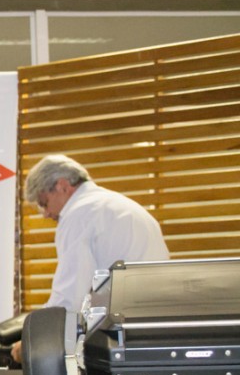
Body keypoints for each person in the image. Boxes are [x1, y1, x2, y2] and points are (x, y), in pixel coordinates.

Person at [11, 154, 169, 361]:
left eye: (44, 202)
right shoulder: (124, 206)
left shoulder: (79, 215)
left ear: (62, 186)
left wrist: (36, 340)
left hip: (118, 337)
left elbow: (71, 295)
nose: (45, 214)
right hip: (155, 330)